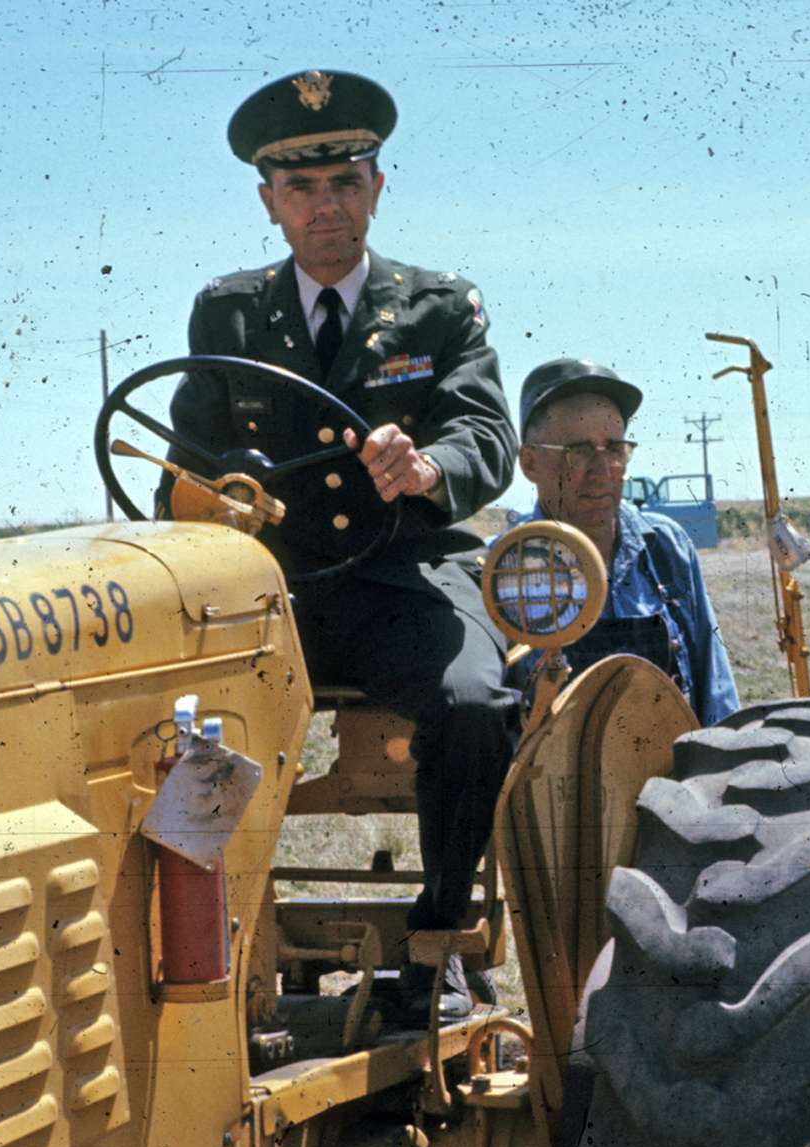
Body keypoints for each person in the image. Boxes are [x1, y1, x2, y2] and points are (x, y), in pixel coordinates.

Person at [166, 70, 517, 1027]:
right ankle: (204, 947)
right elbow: (185, 464)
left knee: (478, 705)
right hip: (272, 592)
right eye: (303, 188)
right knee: (153, 714)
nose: (328, 205)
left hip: (403, 580)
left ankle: (441, 940)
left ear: (377, 187)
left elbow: (487, 441)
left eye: (347, 181)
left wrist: (427, 467)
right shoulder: (228, 316)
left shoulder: (441, 308)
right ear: (270, 203)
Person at [514, 358, 739, 725]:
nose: (603, 469)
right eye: (579, 452)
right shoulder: (502, 568)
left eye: (615, 448)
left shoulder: (664, 547)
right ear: (529, 462)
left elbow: (715, 693)